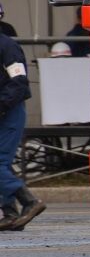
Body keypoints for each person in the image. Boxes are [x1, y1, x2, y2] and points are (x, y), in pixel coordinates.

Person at [0, 28, 45, 231]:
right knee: (3, 165)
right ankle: (10, 214)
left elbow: (18, 82)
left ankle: (30, 201)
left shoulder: (7, 46)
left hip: (10, 111)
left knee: (0, 162)